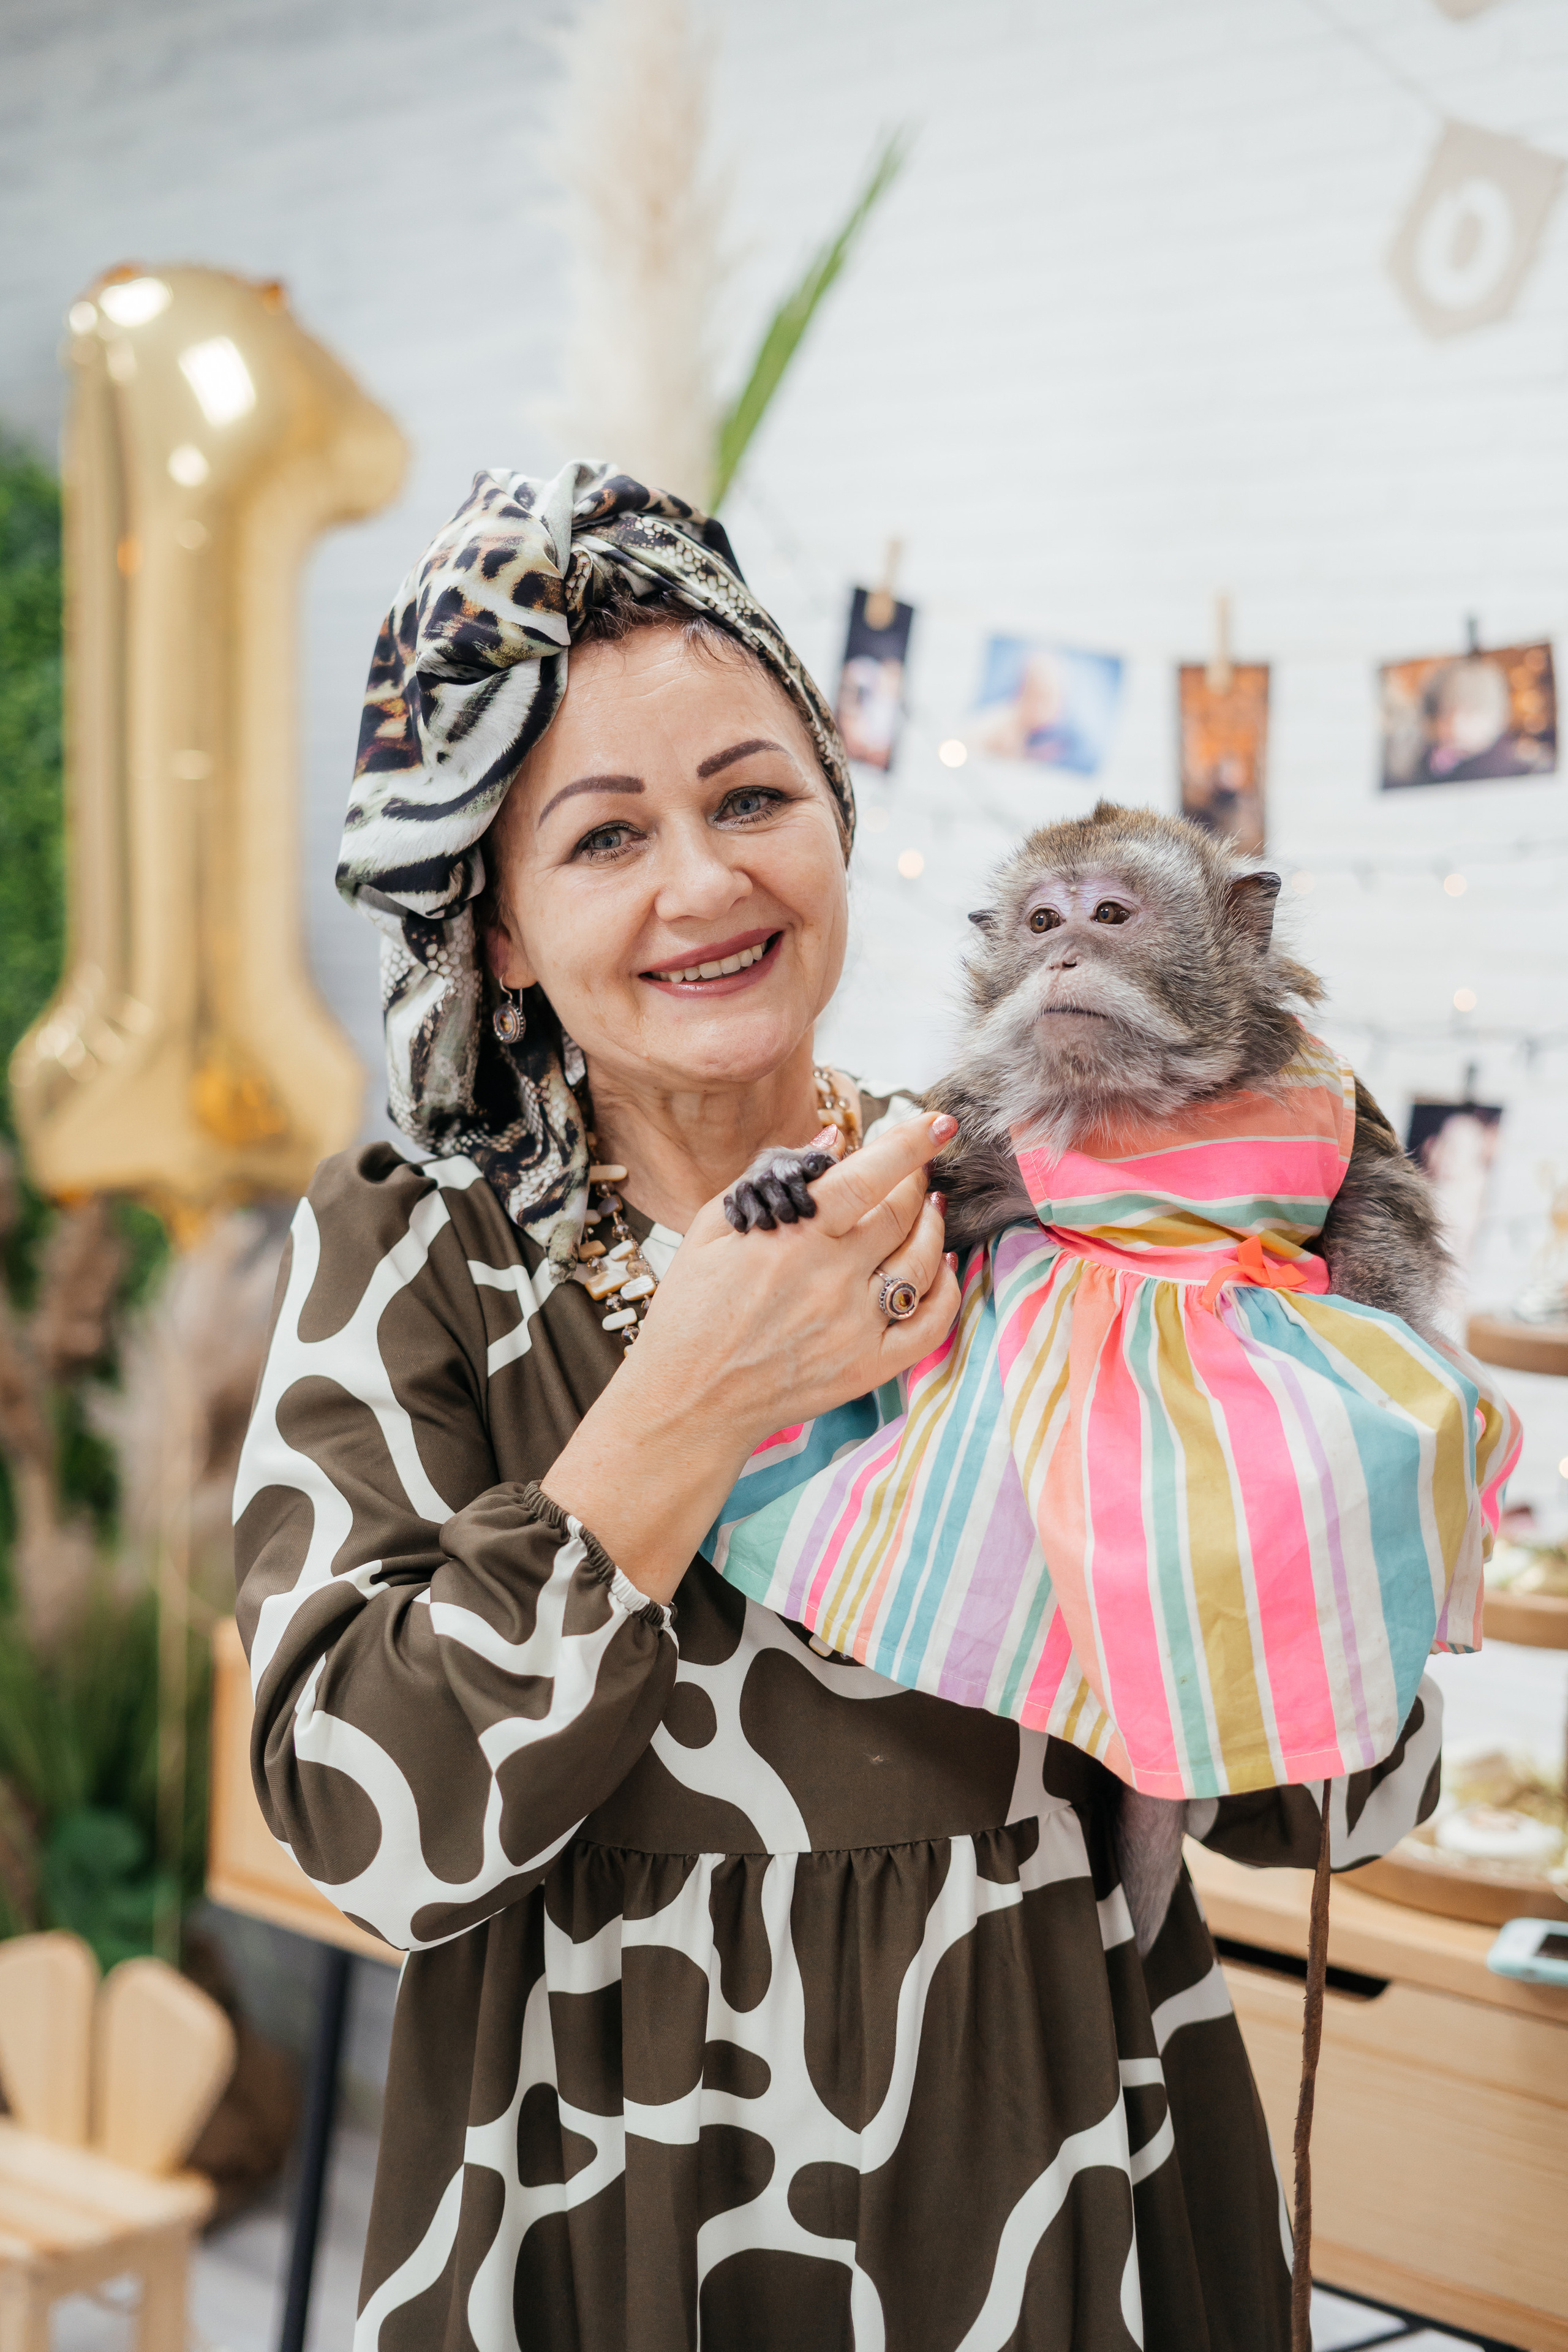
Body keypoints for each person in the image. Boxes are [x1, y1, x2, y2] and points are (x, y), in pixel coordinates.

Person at [236, 462, 1442, 2351]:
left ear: (839, 822)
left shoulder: (1036, 1198)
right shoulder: (416, 1263)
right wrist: (694, 1395)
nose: (707, 884)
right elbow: (366, 1825)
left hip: (1054, 2154)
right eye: (606, 838)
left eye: (750, 799)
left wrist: (1349, 1441)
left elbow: (1335, 1796)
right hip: (611, 2182)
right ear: (491, 925)